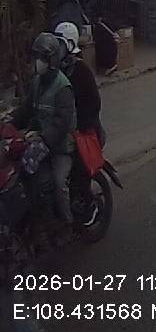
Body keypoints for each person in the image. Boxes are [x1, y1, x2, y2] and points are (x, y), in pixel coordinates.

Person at [14, 33, 77, 222]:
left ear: (52, 61)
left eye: (41, 58)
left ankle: (67, 224)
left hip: (60, 147)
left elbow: (61, 123)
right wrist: (8, 122)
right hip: (39, 142)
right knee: (21, 174)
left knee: (58, 183)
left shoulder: (63, 87)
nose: (37, 62)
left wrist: (43, 139)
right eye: (36, 57)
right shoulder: (36, 82)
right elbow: (26, 111)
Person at [54, 22, 105, 149]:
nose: (58, 49)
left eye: (61, 44)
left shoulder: (82, 70)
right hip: (62, 128)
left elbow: (94, 104)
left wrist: (78, 127)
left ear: (70, 44)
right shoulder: (56, 69)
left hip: (84, 133)